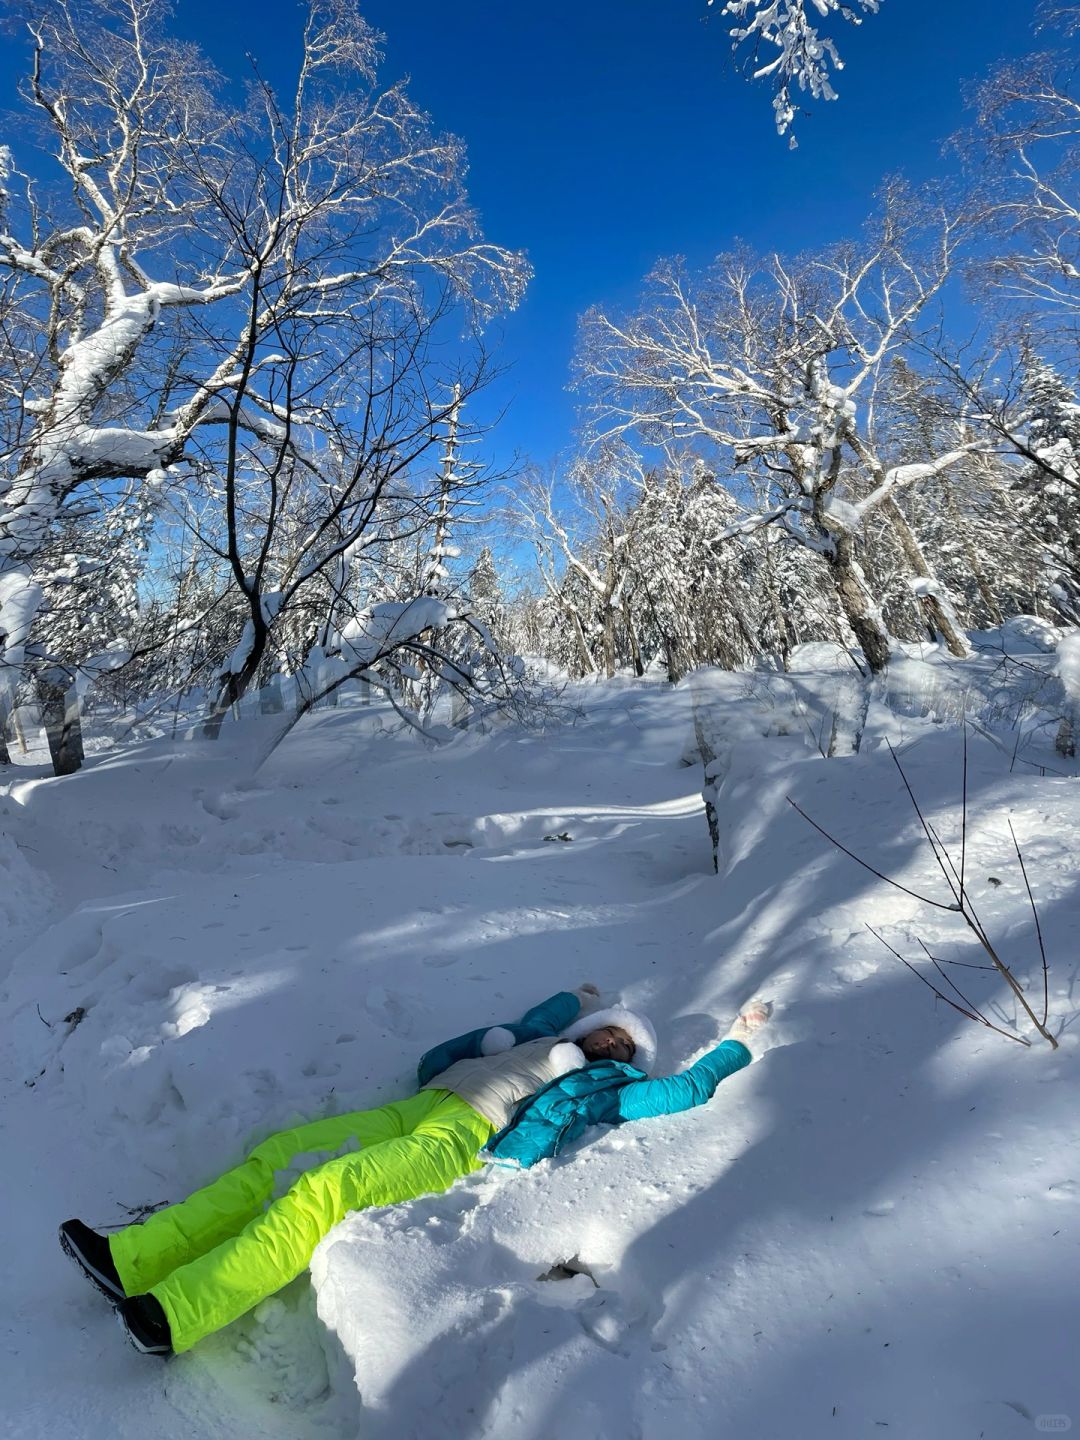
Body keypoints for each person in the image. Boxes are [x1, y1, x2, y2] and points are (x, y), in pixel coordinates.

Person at [59, 985, 771, 1357]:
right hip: (424, 1104)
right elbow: (541, 1013)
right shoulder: (540, 1039)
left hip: (463, 1137)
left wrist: (735, 1042)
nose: (608, 1040)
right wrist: (579, 998)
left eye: (621, 1043)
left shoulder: (599, 1085)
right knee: (283, 1153)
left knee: (326, 1190)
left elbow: (682, 1091)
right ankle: (131, 1258)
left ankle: (177, 1313)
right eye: (606, 1029)